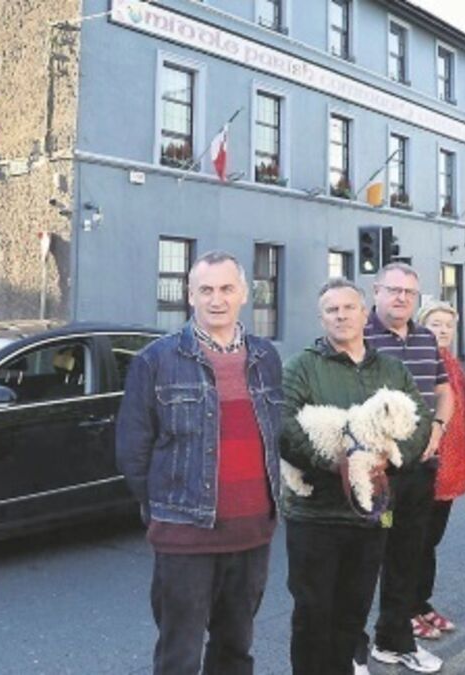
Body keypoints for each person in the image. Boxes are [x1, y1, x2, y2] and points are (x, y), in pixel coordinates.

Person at [116, 251, 283, 675]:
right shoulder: (156, 360)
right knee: (180, 657)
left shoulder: (266, 358)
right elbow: (133, 450)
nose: (216, 299)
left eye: (226, 288)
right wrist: (167, 510)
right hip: (185, 536)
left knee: (235, 652)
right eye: (205, 290)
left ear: (244, 293)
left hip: (252, 536)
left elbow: (274, 436)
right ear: (190, 295)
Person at [281, 278, 432, 675]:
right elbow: (284, 428)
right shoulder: (301, 367)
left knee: (352, 615)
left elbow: (419, 422)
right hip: (315, 517)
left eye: (349, 307)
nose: (341, 316)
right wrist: (339, 466)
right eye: (332, 310)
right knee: (313, 615)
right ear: (321, 318)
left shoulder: (392, 370)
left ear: (365, 314)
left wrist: (390, 462)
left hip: (371, 517)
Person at [363, 263, 454, 674]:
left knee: (406, 558)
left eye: (409, 293)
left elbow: (444, 390)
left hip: (419, 469)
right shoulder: (360, 335)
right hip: (376, 472)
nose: (401, 298)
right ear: (376, 291)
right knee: (364, 558)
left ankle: (394, 641)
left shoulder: (424, 338)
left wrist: (438, 426)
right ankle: (351, 650)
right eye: (394, 290)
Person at [410, 302, 465, 639]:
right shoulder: (419, 362)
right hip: (425, 467)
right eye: (435, 324)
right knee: (411, 544)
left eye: (448, 325)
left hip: (451, 469)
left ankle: (421, 602)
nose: (443, 330)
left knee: (429, 542)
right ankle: (405, 609)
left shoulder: (453, 363)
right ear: (421, 327)